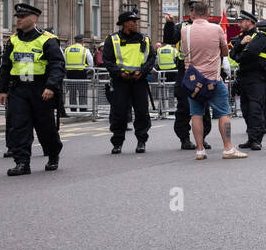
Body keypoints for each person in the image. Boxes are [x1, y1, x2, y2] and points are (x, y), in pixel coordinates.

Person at [0, 3, 65, 175]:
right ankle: (22, 163)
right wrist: (3, 89)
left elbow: (57, 65)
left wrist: (51, 86)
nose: (18, 20)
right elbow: (6, 66)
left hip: (40, 89)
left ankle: (52, 154)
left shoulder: (48, 39)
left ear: (33, 18)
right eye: (17, 17)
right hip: (18, 89)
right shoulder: (12, 40)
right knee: (18, 127)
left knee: (45, 127)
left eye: (22, 17)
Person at [178, 2, 246, 160]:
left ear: (192, 14)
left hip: (193, 81)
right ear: (208, 14)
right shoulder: (216, 29)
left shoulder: (185, 31)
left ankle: (200, 150)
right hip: (213, 79)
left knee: (196, 114)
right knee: (224, 113)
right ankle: (228, 148)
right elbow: (224, 52)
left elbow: (185, 51)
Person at [103, 10, 156, 154]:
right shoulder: (112, 39)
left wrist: (142, 71)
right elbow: (107, 60)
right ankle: (117, 143)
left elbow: (151, 57)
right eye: (133, 21)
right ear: (125, 23)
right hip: (120, 81)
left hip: (139, 80)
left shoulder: (144, 39)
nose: (136, 24)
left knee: (142, 112)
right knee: (118, 113)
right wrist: (120, 73)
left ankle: (141, 142)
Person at [229, 12, 266, 149]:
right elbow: (232, 54)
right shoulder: (241, 38)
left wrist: (239, 54)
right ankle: (251, 137)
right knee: (246, 108)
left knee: (255, 109)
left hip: (257, 77)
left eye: (241, 21)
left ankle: (256, 139)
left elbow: (251, 53)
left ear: (249, 22)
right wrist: (241, 45)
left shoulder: (260, 36)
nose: (239, 24)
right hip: (244, 77)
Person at [163, 12, 202, 151]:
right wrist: (169, 24)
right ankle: (184, 138)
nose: (193, 14)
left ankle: (202, 139)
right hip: (184, 71)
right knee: (184, 107)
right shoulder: (181, 27)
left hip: (202, 70)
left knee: (203, 105)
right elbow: (169, 38)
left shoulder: (209, 28)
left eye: (196, 11)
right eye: (192, 11)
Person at [63, 34, 93, 112]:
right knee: (82, 91)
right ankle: (83, 108)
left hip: (70, 73)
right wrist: (88, 70)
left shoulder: (67, 49)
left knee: (72, 92)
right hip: (81, 73)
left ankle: (73, 109)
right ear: (82, 41)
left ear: (75, 41)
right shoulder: (85, 50)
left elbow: (63, 61)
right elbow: (90, 63)